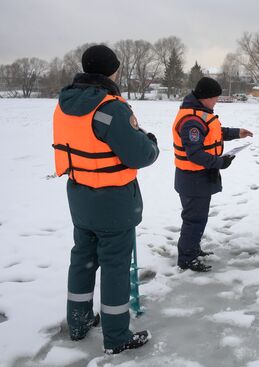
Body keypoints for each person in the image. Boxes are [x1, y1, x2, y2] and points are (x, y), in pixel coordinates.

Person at [52, 45, 159, 354]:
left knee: (83, 259)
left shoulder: (63, 104)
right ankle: (116, 337)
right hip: (112, 202)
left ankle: (79, 321)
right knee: (114, 266)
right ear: (111, 71)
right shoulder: (110, 108)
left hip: (80, 196)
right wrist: (150, 141)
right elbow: (140, 154)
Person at [172, 77, 253, 272]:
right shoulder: (191, 120)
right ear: (205, 97)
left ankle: (192, 249)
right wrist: (220, 162)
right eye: (215, 97)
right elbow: (195, 154)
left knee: (198, 217)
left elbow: (214, 133)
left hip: (199, 178)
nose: (216, 101)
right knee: (194, 219)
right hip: (193, 178)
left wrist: (236, 133)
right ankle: (187, 258)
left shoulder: (200, 114)